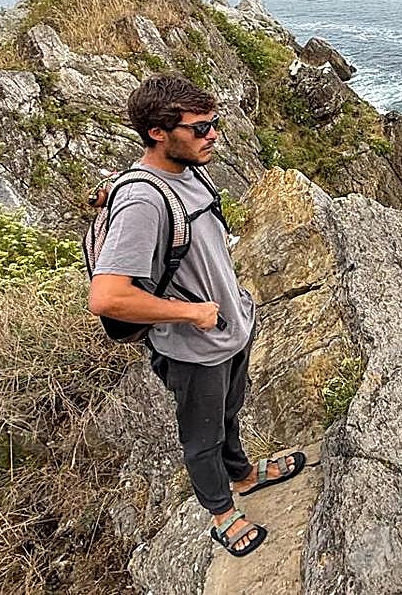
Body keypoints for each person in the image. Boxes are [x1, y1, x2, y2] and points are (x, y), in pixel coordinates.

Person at [88, 74, 305, 557]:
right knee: (201, 437)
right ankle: (222, 512)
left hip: (229, 327)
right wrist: (191, 314)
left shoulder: (190, 171)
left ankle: (244, 475)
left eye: (215, 124)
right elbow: (107, 297)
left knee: (229, 413)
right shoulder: (144, 200)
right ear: (158, 133)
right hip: (194, 346)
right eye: (201, 127)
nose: (214, 136)